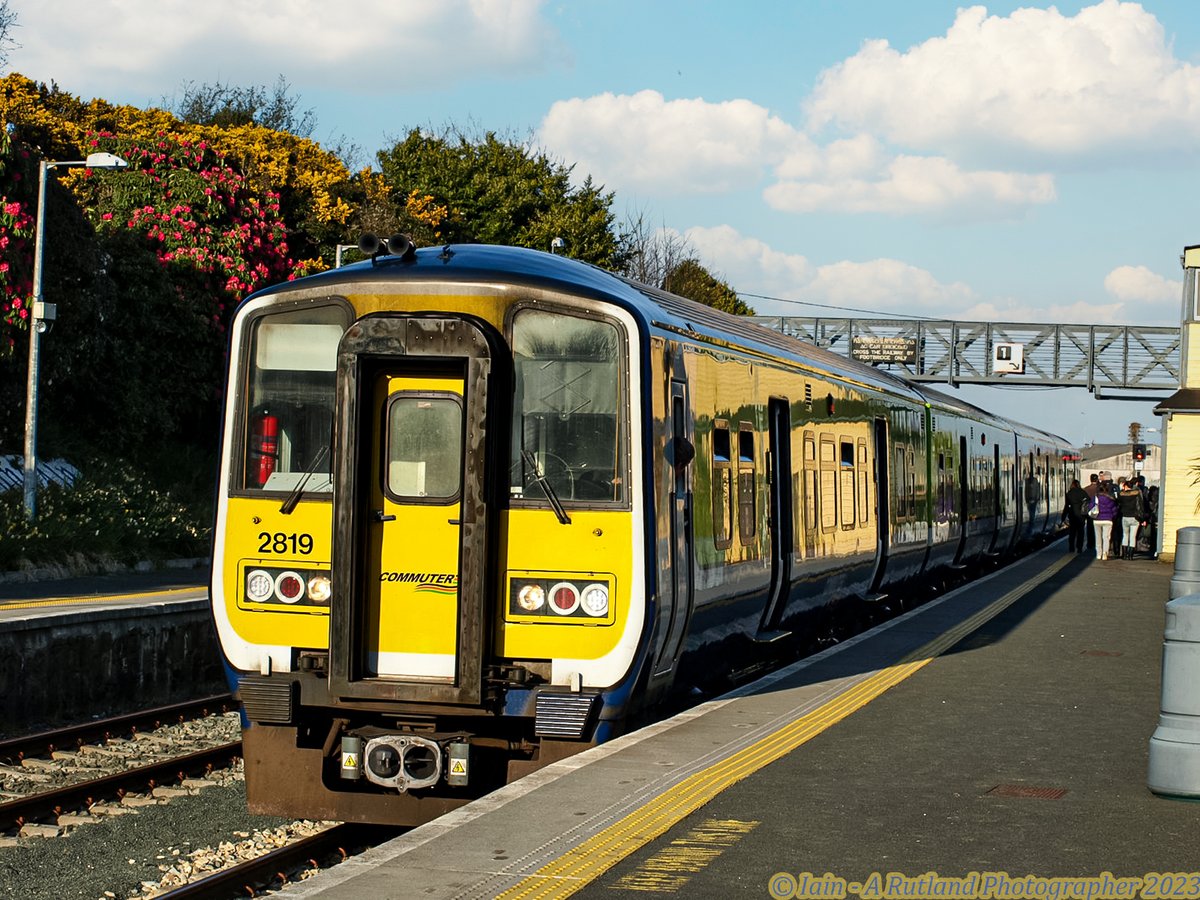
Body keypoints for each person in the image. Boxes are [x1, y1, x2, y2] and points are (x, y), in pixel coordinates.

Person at [1088, 476, 1119, 561]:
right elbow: (1114, 510)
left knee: (1098, 537)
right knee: (1106, 537)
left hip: (1097, 520)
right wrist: (1112, 516)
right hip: (1108, 520)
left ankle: (1098, 554)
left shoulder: (1096, 498)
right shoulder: (1111, 498)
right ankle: (1105, 553)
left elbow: (1090, 506)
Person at [1116, 477, 1145, 560]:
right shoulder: (1136, 494)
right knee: (1133, 537)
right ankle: (1130, 555)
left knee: (1125, 535)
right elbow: (1140, 506)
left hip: (1125, 516)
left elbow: (1118, 501)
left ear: (1125, 486)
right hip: (1135, 517)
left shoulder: (1122, 495)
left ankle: (1124, 555)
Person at [1063, 478, 1089, 554]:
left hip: (1072, 515)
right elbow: (1088, 502)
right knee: (1081, 532)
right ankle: (1079, 548)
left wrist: (1064, 516)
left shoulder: (1069, 493)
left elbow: (1067, 506)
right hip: (1081, 515)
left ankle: (1071, 547)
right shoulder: (1083, 492)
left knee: (1072, 532)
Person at [1082, 472, 1100, 552]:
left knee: (1089, 528)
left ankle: (1090, 543)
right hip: (1099, 511)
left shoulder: (1086, 489)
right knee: (1098, 529)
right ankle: (1097, 543)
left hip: (1089, 511)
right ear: (1097, 479)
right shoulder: (1100, 488)